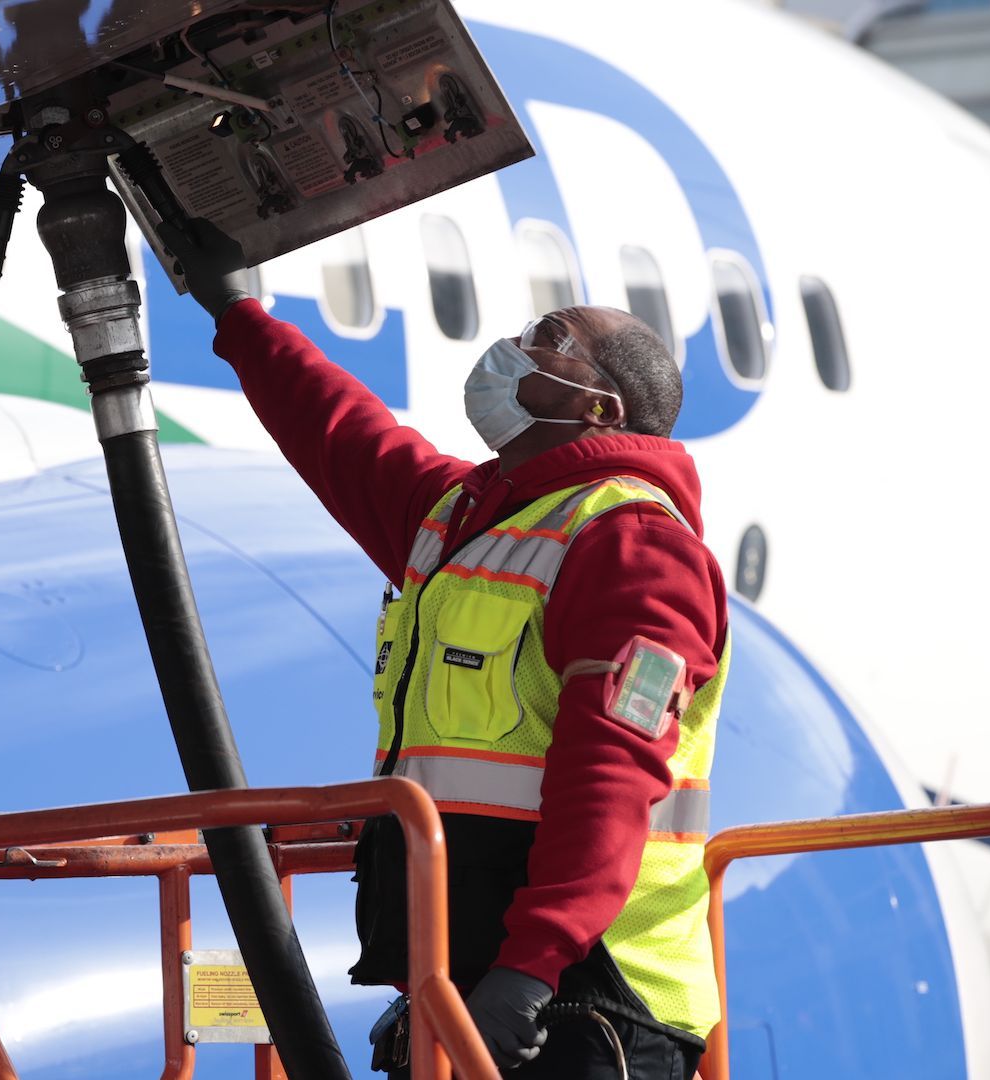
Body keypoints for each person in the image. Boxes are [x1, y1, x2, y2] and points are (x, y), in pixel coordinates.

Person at [156, 219, 727, 1079]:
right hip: (462, 978)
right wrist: (239, 313)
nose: (514, 345)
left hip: (585, 998)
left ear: (599, 406)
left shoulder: (633, 543)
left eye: (550, 338)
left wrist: (528, 970)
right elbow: (341, 431)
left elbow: (611, 775)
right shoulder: (469, 515)